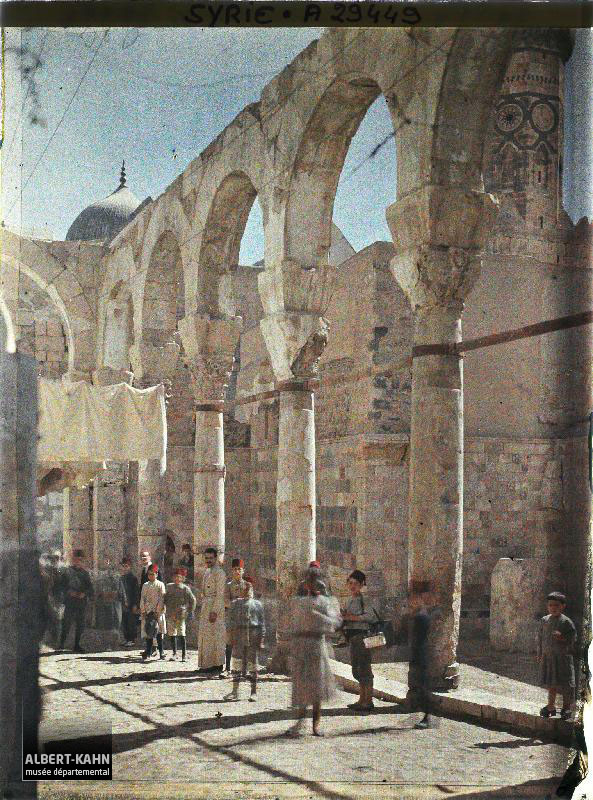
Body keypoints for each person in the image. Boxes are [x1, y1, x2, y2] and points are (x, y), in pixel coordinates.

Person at [285, 569, 341, 737]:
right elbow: (292, 622)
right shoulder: (299, 602)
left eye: (316, 580)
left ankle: (316, 725)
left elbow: (335, 622)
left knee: (317, 686)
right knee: (302, 685)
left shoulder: (326, 602)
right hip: (302, 645)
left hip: (317, 645)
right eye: (310, 580)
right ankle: (300, 722)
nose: (313, 583)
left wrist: (318, 617)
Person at [340, 569, 378, 712]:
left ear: (362, 584)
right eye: (350, 583)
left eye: (355, 583)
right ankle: (362, 699)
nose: (352, 586)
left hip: (363, 636)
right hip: (353, 638)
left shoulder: (365, 599)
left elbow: (370, 617)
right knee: (356, 670)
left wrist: (350, 617)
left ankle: (368, 701)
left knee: (364, 669)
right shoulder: (349, 600)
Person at [224, 576, 265, 702]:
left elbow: (262, 623)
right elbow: (230, 622)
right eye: (245, 590)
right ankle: (235, 691)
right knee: (236, 664)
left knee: (253, 665)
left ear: (252, 591)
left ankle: (253, 692)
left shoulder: (258, 605)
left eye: (250, 589)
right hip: (239, 637)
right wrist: (230, 637)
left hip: (253, 637)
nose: (247, 592)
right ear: (241, 592)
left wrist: (261, 639)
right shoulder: (235, 604)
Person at [538, 591, 576, 720]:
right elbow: (540, 638)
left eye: (556, 605)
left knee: (565, 684)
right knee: (551, 684)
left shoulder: (566, 622)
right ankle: (550, 706)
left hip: (562, 658)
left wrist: (562, 638)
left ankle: (566, 708)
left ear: (563, 606)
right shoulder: (544, 620)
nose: (553, 608)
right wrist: (540, 653)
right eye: (550, 605)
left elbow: (573, 640)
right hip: (549, 658)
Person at [408, 583, 438, 729]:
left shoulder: (422, 616)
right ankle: (427, 715)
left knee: (424, 687)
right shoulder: (419, 614)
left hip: (422, 655)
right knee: (422, 686)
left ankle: (428, 717)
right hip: (419, 655)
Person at [196, 547, 226, 673]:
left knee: (216, 637)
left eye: (211, 558)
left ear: (216, 558)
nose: (208, 560)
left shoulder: (220, 573)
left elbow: (220, 594)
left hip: (215, 607)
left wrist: (214, 611)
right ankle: (206, 664)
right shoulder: (207, 572)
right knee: (206, 636)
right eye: (206, 558)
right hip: (206, 605)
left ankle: (217, 664)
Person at [58, 549, 94, 653]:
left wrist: (84, 593)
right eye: (76, 559)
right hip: (70, 601)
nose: (78, 561)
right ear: (73, 560)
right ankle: (61, 644)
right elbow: (61, 586)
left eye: (80, 559)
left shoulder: (85, 574)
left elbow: (90, 588)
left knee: (80, 624)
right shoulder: (67, 572)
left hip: (81, 602)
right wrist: (69, 592)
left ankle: (77, 645)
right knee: (66, 623)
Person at [221, 557, 247, 677]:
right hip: (231, 617)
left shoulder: (248, 585)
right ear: (232, 571)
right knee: (229, 643)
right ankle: (227, 668)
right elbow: (225, 600)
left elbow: (249, 600)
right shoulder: (228, 585)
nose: (237, 571)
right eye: (235, 569)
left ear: (243, 571)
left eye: (239, 569)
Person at [165, 567, 197, 661]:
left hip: (181, 614)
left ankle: (183, 654)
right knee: (172, 633)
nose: (177, 579)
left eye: (179, 577)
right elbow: (164, 598)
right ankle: (174, 653)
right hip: (171, 613)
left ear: (182, 578)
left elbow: (193, 600)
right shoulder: (169, 587)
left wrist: (190, 610)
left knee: (182, 633)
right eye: (175, 577)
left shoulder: (185, 588)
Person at [140, 563, 166, 660]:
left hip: (157, 612)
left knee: (159, 632)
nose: (151, 576)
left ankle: (161, 651)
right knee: (149, 631)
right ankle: (148, 651)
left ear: (157, 574)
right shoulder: (145, 585)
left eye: (153, 574)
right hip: (148, 612)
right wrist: (144, 610)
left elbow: (162, 598)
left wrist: (157, 611)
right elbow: (142, 598)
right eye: (149, 574)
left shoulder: (160, 585)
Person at [118, 557, 140, 646]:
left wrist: (135, 604)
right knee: (124, 621)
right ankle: (126, 638)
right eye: (123, 566)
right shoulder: (121, 578)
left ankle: (132, 639)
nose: (124, 568)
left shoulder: (133, 578)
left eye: (126, 566)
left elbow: (136, 592)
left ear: (129, 567)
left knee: (131, 622)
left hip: (131, 603)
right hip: (123, 604)